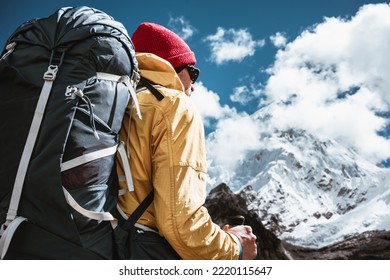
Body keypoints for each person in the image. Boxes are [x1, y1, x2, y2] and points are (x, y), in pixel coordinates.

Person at [116, 22, 257, 260]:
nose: (194, 87)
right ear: (172, 67)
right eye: (193, 73)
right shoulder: (173, 106)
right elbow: (180, 224)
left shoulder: (119, 105)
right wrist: (236, 246)